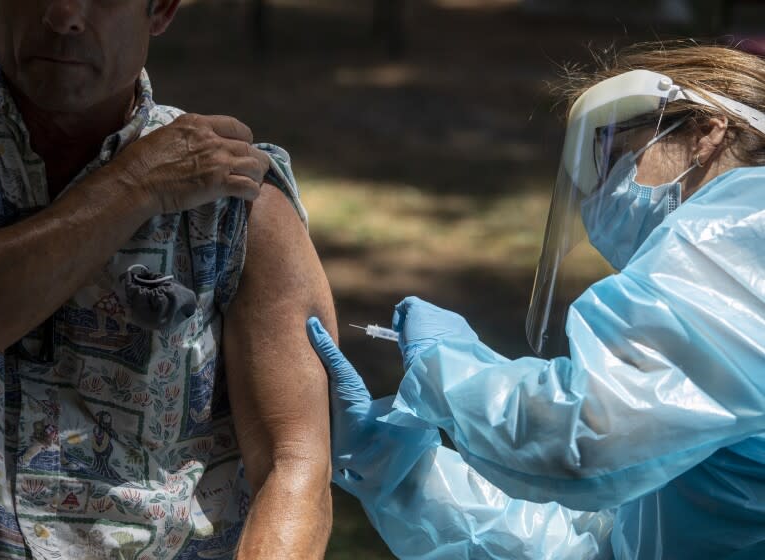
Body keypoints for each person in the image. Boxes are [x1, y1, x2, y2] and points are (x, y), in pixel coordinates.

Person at [307, 43, 765, 559]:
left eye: (618, 157)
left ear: (707, 131)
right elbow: (594, 542)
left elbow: (589, 437)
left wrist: (446, 367)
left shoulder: (744, 224)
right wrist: (393, 468)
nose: (601, 200)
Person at [0, 1, 335, 558]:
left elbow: (296, 466)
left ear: (161, 8)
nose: (64, 14)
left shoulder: (236, 199)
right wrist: (134, 186)